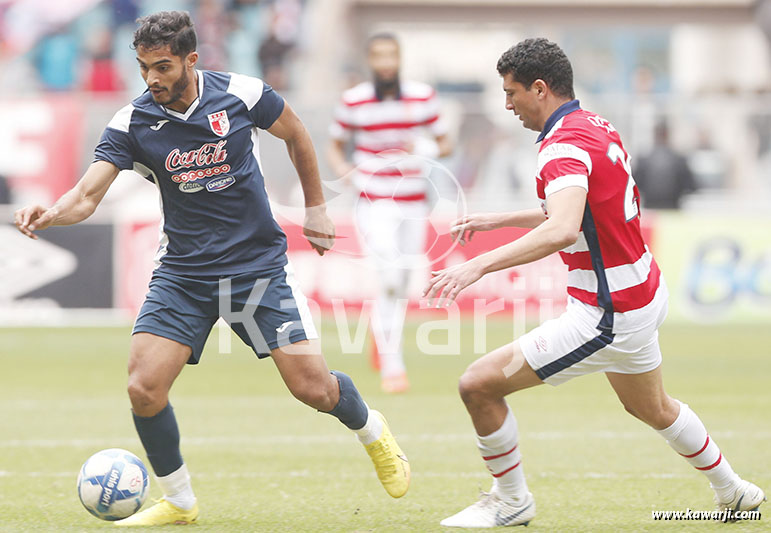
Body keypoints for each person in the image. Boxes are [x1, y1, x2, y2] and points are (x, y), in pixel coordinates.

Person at [14, 11, 409, 527]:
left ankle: (372, 432)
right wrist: (49, 214)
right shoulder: (132, 122)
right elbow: (88, 194)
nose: (152, 78)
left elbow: (297, 135)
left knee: (313, 388)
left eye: (162, 66)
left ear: (190, 60)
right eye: (143, 68)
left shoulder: (241, 93)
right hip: (183, 275)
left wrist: (315, 208)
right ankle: (179, 501)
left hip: (257, 270)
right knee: (143, 386)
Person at [424, 38, 765, 527]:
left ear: (539, 89)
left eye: (512, 92)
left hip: (608, 314)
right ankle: (733, 491)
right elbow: (582, 209)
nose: (507, 104)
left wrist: (477, 265)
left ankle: (511, 501)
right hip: (643, 290)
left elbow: (563, 226)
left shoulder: (560, 146)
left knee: (477, 386)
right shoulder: (595, 126)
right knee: (653, 407)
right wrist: (500, 219)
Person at [328, 32, 453, 393]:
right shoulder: (354, 101)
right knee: (385, 277)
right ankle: (393, 366)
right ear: (370, 60)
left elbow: (446, 142)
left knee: (399, 282)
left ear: (399, 58)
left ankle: (379, 332)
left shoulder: (422, 97)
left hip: (414, 202)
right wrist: (347, 175)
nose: (385, 63)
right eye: (378, 56)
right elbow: (335, 144)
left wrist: (425, 146)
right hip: (373, 200)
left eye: (391, 56)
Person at [633, 121, 697, 209]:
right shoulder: (679, 160)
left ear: (654, 135)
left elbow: (634, 185)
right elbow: (692, 186)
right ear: (668, 135)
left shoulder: (643, 160)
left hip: (651, 211)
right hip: (673, 210)